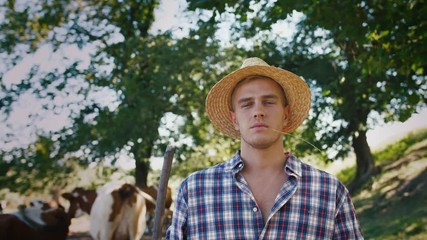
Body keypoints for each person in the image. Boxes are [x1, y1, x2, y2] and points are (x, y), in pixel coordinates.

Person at [166, 57, 363, 239]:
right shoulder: (194, 191)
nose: (258, 111)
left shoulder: (329, 192)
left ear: (285, 114)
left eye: (268, 102)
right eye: (246, 104)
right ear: (234, 119)